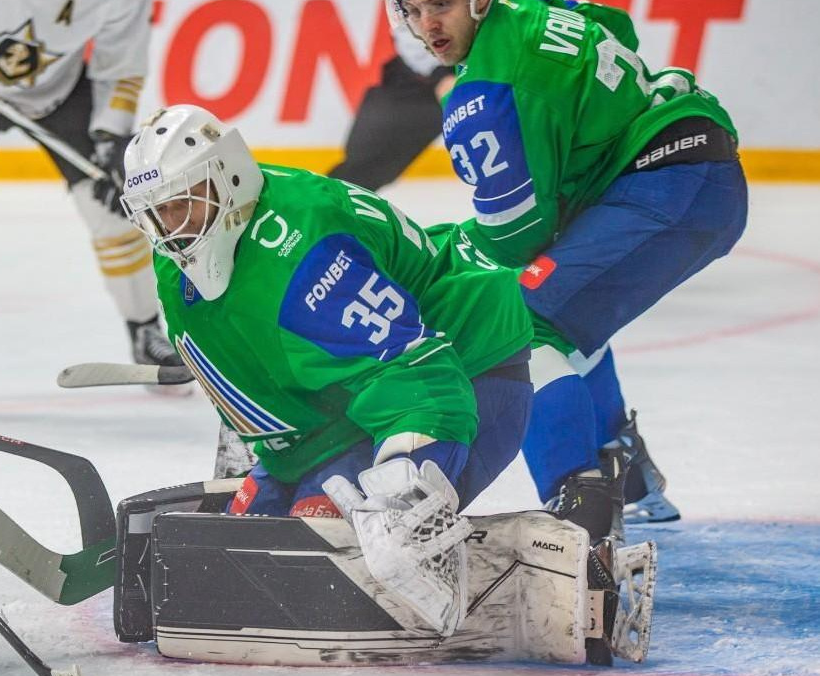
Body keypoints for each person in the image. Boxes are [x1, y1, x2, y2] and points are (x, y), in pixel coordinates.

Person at [120, 103, 536, 635]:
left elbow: (416, 372)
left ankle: (472, 576)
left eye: (183, 204)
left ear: (228, 174)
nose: (169, 227)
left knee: (313, 548)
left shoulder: (303, 250)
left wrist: (406, 496)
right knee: (237, 560)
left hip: (467, 376)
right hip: (336, 414)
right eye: (156, 212)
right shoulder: (184, 250)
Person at [390, 0, 747, 540]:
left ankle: (582, 516)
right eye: (412, 11)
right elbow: (616, 26)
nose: (428, 25)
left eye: (441, 4)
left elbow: (516, 238)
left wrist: (436, 254)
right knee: (566, 312)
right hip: (685, 170)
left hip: (668, 189)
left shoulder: (486, 95)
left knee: (516, 321)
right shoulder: (535, 10)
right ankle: (626, 476)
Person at [0, 0, 183, 373]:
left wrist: (111, 134)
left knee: (111, 215)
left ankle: (144, 329)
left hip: (61, 90)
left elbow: (120, 66)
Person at [328, 23, 455, 191]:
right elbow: (407, 24)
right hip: (421, 82)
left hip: (489, 67)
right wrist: (442, 73)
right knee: (363, 168)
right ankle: (317, 209)